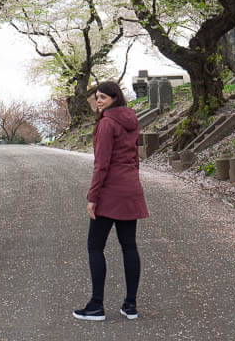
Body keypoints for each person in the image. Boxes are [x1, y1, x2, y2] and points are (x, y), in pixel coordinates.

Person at [73, 81, 148, 322]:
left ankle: (96, 305)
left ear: (115, 98)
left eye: (103, 97)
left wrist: (92, 197)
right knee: (129, 246)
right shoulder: (131, 120)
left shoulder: (107, 123)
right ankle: (131, 305)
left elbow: (101, 164)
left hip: (110, 192)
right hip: (130, 190)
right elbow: (134, 159)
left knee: (95, 246)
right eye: (97, 97)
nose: (98, 101)